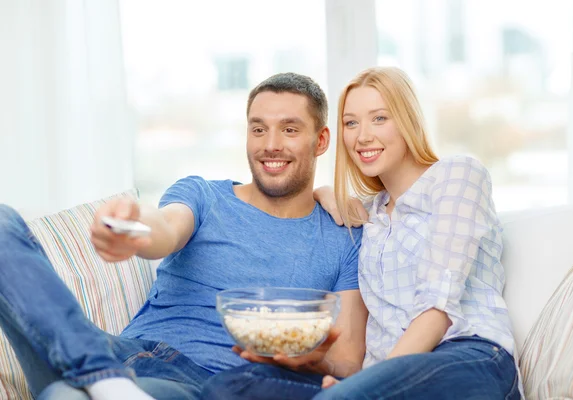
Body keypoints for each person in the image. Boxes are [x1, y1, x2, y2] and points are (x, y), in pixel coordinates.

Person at [0, 72, 367, 400]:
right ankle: (102, 375)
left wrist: (306, 361)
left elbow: (348, 358)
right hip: (119, 350)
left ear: (320, 141)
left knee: (65, 394)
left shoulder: (344, 236)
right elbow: (166, 229)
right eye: (258, 129)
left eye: (289, 129)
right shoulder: (204, 195)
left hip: (203, 383)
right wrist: (136, 229)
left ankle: (101, 382)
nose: (270, 144)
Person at [311, 66, 521, 399]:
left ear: (408, 121)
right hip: (394, 371)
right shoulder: (371, 215)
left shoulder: (457, 176)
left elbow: (437, 310)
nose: (362, 136)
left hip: (468, 358)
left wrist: (367, 387)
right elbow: (332, 202)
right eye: (351, 123)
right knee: (242, 383)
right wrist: (322, 191)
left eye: (379, 118)